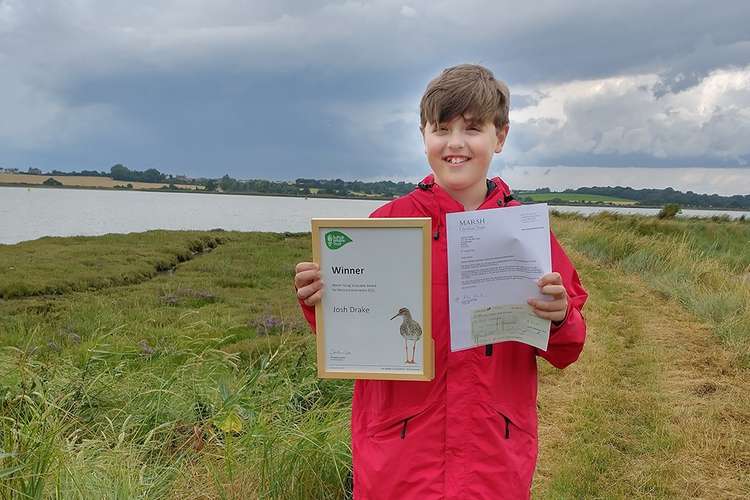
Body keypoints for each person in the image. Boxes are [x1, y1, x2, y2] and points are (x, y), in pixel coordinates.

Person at [294, 64, 587, 499]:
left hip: (492, 454)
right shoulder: (387, 225)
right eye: (442, 128)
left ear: (500, 136)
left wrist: (561, 317)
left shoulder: (526, 232)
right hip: (400, 455)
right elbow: (356, 336)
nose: (455, 143)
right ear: (423, 135)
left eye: (472, 128)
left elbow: (569, 347)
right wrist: (320, 299)